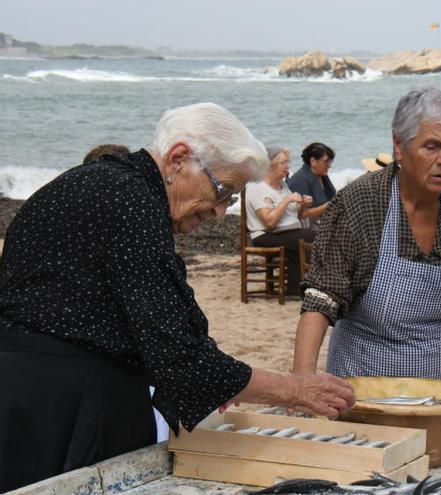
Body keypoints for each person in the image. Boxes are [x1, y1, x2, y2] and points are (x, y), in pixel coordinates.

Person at [0, 103, 354, 492]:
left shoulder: (109, 185)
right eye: (222, 191)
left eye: (232, 200)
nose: (220, 212)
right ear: (178, 158)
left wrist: (217, 379)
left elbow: (161, 317)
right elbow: (180, 355)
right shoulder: (131, 200)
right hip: (66, 402)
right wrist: (295, 389)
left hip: (28, 393)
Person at [293, 86, 441, 389]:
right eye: (432, 146)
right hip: (363, 386)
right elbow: (321, 298)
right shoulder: (361, 202)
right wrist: (303, 379)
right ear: (399, 144)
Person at [246, 146, 316, 292]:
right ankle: (305, 284)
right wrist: (286, 200)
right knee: (315, 235)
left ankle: (297, 286)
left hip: (286, 232)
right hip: (265, 234)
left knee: (312, 233)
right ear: (270, 164)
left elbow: (296, 217)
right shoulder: (257, 187)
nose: (287, 166)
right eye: (283, 163)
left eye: (288, 162)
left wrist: (303, 205)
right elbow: (270, 222)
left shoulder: (282, 185)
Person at [287, 142, 336, 224]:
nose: (329, 165)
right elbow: (300, 214)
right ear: (313, 161)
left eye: (330, 162)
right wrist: (326, 207)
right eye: (326, 162)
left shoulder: (321, 174)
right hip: (310, 227)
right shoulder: (299, 180)